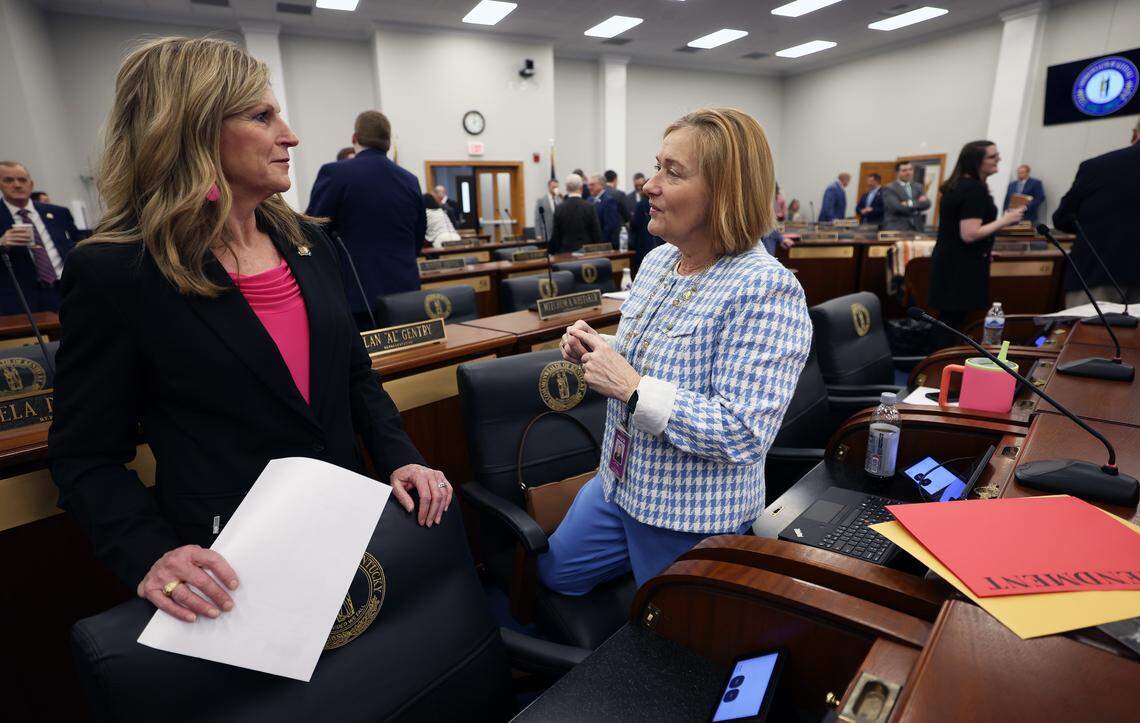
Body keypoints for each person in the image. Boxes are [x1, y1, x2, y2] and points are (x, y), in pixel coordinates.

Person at [48, 37, 452, 625]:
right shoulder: (117, 271)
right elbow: (84, 453)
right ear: (191, 131)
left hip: (349, 528)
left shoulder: (313, 245)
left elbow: (354, 377)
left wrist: (400, 455)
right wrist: (149, 553)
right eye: (262, 117)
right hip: (230, 565)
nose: (289, 135)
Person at [540, 107, 811, 591]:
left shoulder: (766, 290)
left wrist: (632, 388)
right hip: (617, 480)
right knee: (557, 574)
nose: (649, 184)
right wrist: (601, 347)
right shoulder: (661, 261)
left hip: (686, 511)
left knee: (669, 639)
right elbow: (654, 351)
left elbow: (743, 432)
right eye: (657, 165)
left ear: (723, 194)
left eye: (673, 171)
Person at [306, 110, 425, 328]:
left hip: (355, 293)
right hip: (406, 292)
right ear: (387, 143)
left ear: (354, 139)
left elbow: (313, 231)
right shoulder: (410, 180)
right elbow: (418, 236)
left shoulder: (336, 173)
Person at [928, 140, 1025, 340]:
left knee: (949, 321)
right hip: (960, 268)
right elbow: (969, 234)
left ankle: (938, 366)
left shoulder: (958, 185)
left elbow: (957, 232)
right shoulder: (974, 189)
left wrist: (985, 249)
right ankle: (939, 367)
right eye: (992, 156)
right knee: (951, 325)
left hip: (951, 262)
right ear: (975, 161)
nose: (999, 159)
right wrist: (1006, 220)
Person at [1053, 118, 1140, 307]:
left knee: (1086, 334)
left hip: (1098, 272)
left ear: (1135, 134)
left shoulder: (1098, 167)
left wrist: (1097, 228)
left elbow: (1062, 218)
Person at [0, 160, 81, 315]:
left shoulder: (58, 213)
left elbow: (80, 245)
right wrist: (1, 243)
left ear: (31, 184)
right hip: (21, 301)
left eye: (22, 180)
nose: (17, 185)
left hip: (67, 291)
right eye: (8, 180)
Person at [548, 173, 601, 254]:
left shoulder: (559, 208)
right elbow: (596, 233)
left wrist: (552, 253)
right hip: (586, 255)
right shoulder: (590, 207)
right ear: (581, 187)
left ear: (566, 188)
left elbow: (556, 235)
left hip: (565, 255)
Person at [881, 161, 931, 231]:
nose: (908, 173)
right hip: (897, 227)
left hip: (917, 227)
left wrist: (909, 203)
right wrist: (918, 204)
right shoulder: (889, 188)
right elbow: (897, 207)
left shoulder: (918, 186)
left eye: (910, 169)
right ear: (897, 173)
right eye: (904, 170)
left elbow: (927, 204)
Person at [589, 173, 630, 249]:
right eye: (589, 185)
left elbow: (610, 226)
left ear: (601, 185)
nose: (589, 187)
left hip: (604, 244)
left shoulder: (608, 200)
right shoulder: (589, 200)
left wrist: (600, 244)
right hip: (592, 244)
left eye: (592, 185)